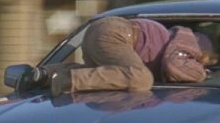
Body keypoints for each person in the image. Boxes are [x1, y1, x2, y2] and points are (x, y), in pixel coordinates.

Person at [34, 17, 208, 95]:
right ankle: (66, 80)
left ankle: (44, 75)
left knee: (99, 73)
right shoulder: (188, 42)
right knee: (141, 78)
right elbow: (175, 67)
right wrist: (204, 73)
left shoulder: (172, 38)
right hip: (118, 34)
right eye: (208, 61)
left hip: (102, 30)